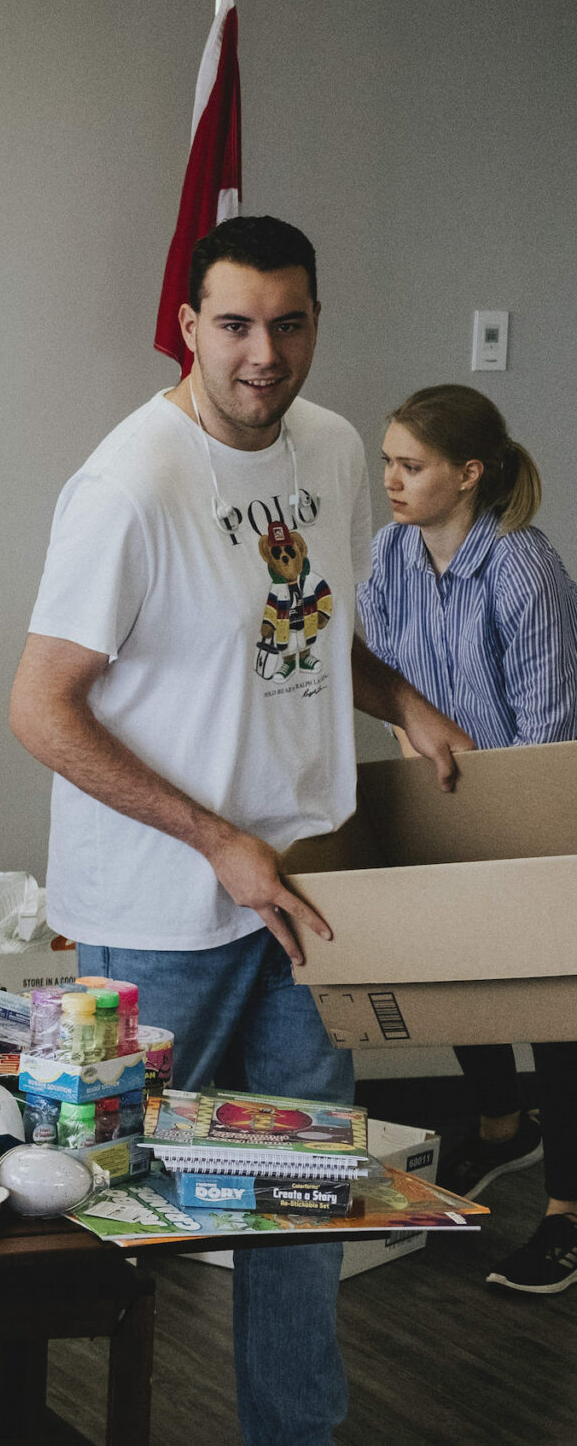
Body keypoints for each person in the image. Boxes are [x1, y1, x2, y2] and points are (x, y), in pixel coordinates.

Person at [10, 216, 473, 1446]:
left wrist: (408, 705)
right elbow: (39, 709)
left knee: (306, 1203)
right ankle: (34, 1415)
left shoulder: (325, 449)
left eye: (288, 322)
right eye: (233, 325)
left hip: (304, 897)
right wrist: (215, 840)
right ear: (188, 329)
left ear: (316, 321)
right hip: (160, 919)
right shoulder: (127, 486)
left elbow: (307, 631)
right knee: (117, 1213)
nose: (262, 352)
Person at [358, 383, 577, 1295]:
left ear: (469, 474)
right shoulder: (390, 553)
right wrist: (423, 777)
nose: (392, 481)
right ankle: (499, 1126)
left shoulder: (524, 570)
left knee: (557, 1013)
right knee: (446, 969)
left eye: (411, 466)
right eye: (387, 463)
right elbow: (379, 677)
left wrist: (489, 829)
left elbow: (550, 736)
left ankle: (568, 1215)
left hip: (538, 807)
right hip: (441, 795)